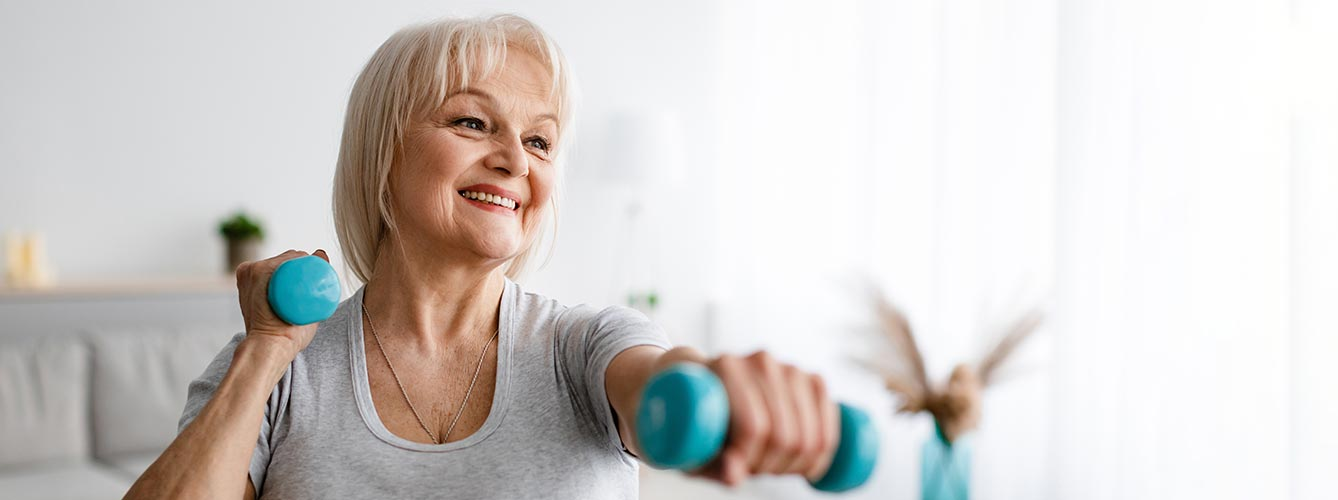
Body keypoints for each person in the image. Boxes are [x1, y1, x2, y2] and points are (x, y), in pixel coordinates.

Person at [124, 14, 840, 500]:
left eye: (539, 142)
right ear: (383, 152)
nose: (512, 161)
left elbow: (658, 384)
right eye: (472, 122)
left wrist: (723, 387)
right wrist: (267, 348)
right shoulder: (279, 371)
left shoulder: (586, 345)